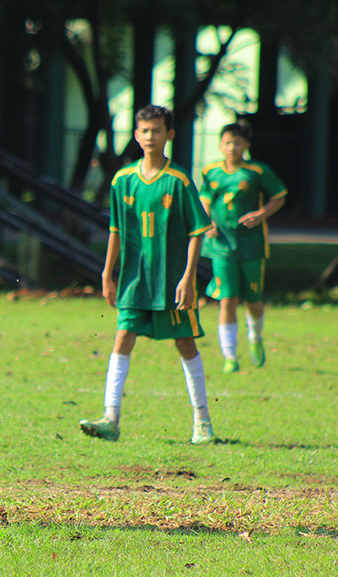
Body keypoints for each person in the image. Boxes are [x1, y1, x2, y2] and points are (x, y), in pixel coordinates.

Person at [79, 105, 218, 446]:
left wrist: (188, 278)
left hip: (170, 279)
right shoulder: (122, 179)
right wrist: (107, 272)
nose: (150, 137)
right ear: (136, 134)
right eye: (144, 131)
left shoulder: (179, 180)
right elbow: (115, 229)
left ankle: (203, 422)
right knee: (123, 336)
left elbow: (198, 230)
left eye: (157, 130)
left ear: (169, 134)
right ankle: (111, 418)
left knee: (184, 343)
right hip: (134, 278)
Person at [199, 121, 287, 373]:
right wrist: (208, 223)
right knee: (227, 299)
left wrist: (261, 214)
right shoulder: (210, 171)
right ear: (220, 144)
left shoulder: (257, 172)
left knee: (252, 300)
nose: (231, 147)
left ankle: (255, 338)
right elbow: (204, 199)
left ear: (246, 145)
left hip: (251, 245)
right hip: (221, 246)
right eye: (227, 142)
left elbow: (279, 196)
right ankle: (230, 357)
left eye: (237, 143)